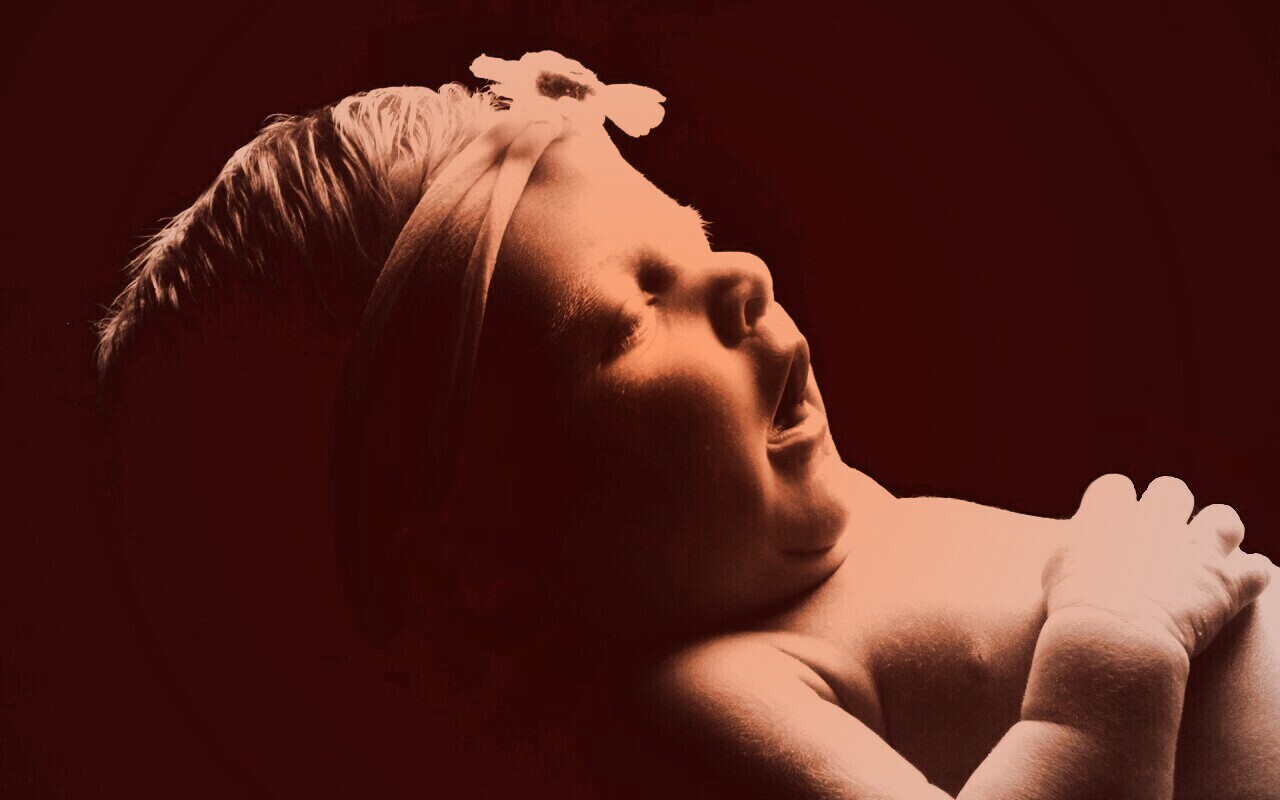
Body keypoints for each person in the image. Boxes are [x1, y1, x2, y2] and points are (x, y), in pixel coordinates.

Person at [96, 52, 1279, 799]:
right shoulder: (710, 697)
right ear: (479, 576)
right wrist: (1108, 664)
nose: (742, 276)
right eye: (631, 308)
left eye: (695, 234)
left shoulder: (835, 543)